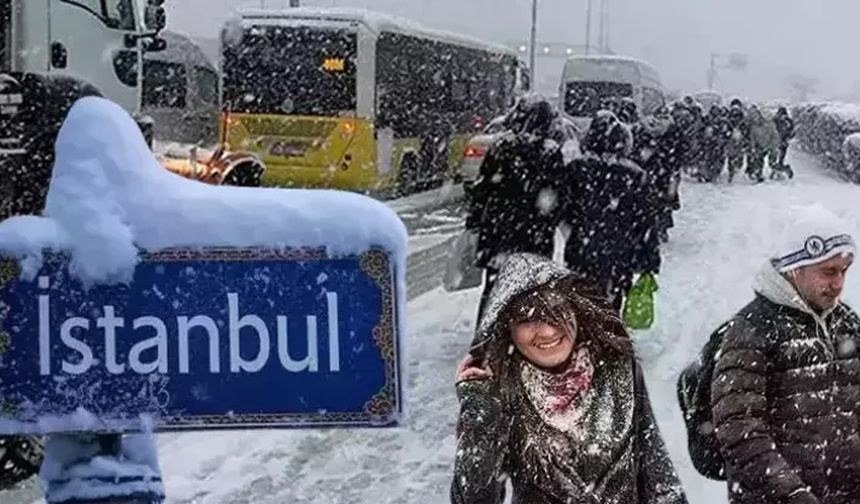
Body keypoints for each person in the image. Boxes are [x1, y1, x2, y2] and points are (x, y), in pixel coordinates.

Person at [451, 253, 688, 504]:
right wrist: (480, 414)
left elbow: (656, 468)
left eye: (556, 313)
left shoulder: (616, 367)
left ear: (576, 312)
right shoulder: (501, 389)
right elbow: (475, 499)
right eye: (527, 320)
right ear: (507, 329)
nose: (547, 331)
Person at [711, 205, 860, 504]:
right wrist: (794, 495)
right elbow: (740, 430)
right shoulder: (752, 330)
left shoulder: (847, 323)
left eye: (844, 271)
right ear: (795, 268)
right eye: (828, 271)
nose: (839, 283)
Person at [466, 97, 569, 321]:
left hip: (498, 232)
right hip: (535, 235)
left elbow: (482, 189)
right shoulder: (550, 153)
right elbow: (559, 197)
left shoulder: (501, 147)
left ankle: (487, 341)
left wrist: (475, 222)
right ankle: (522, 342)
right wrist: (549, 222)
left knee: (494, 289)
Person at [564, 111, 660, 310]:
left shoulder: (577, 169)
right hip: (620, 253)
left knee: (582, 301)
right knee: (611, 302)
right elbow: (645, 220)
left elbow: (565, 210)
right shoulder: (634, 175)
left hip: (583, 250)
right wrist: (650, 259)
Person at [746, 105, 779, 183]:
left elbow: (775, 136)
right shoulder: (753, 127)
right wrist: (753, 147)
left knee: (772, 163)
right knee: (758, 160)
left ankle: (782, 170)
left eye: (756, 116)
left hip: (771, 146)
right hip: (760, 146)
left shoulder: (769, 124)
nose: (755, 119)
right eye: (753, 117)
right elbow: (752, 138)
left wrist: (771, 146)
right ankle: (759, 176)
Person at [701, 105, 731, 183]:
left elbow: (727, 131)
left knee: (718, 159)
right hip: (709, 144)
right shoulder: (707, 119)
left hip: (719, 144)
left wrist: (723, 139)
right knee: (708, 159)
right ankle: (708, 174)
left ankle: (715, 174)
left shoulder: (723, 121)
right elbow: (701, 129)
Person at [725, 99, 749, 183]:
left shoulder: (729, 116)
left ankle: (732, 172)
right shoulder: (741, 116)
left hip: (734, 140)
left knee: (732, 157)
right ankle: (732, 172)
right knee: (735, 157)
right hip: (736, 140)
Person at [772, 106, 796, 178]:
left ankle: (779, 171)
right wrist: (787, 138)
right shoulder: (788, 121)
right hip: (782, 143)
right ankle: (781, 170)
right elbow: (793, 133)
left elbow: (792, 133)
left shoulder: (775, 120)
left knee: (775, 159)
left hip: (778, 143)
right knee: (779, 159)